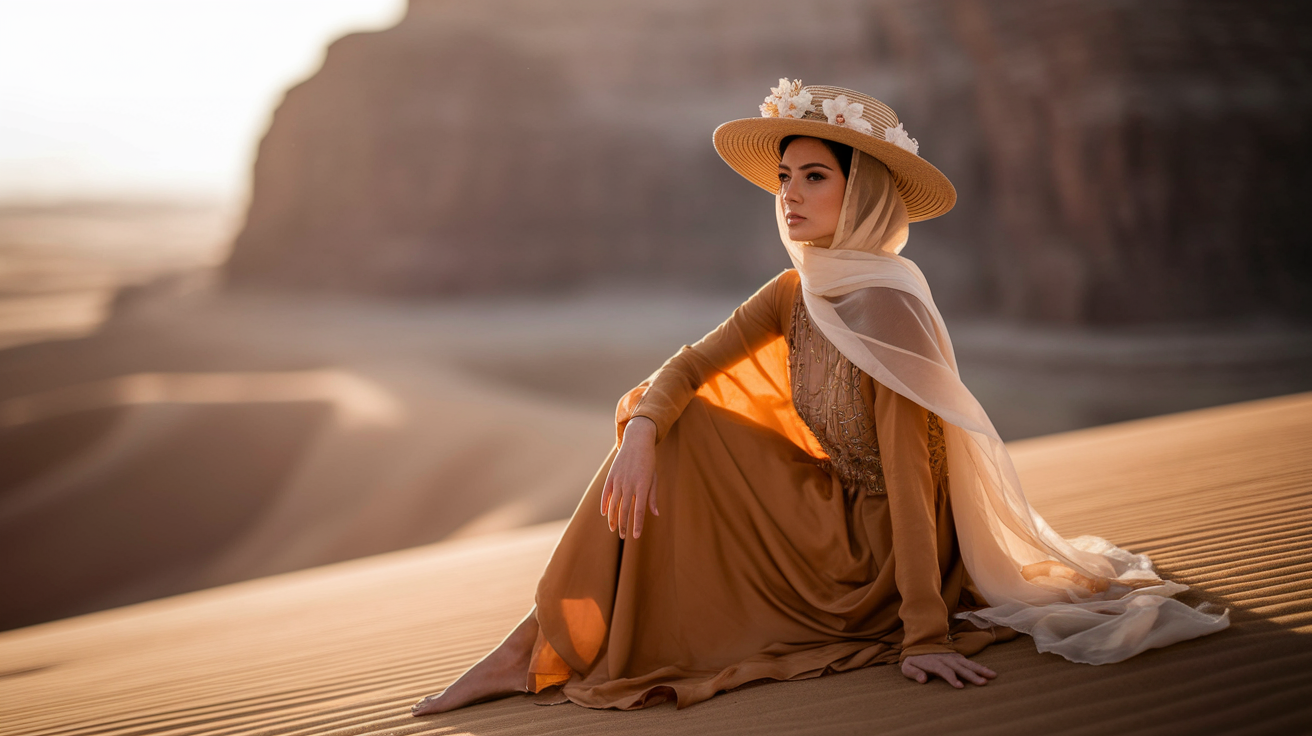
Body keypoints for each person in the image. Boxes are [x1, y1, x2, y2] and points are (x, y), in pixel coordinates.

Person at [412, 81, 1228, 716]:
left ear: (861, 192)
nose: (790, 195)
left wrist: (923, 632)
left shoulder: (889, 307)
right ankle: (534, 643)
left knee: (690, 436)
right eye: (783, 178)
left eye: (814, 177)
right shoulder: (793, 291)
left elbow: (912, 481)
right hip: (821, 511)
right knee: (682, 422)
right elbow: (689, 365)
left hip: (877, 556)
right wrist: (641, 431)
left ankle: (542, 648)